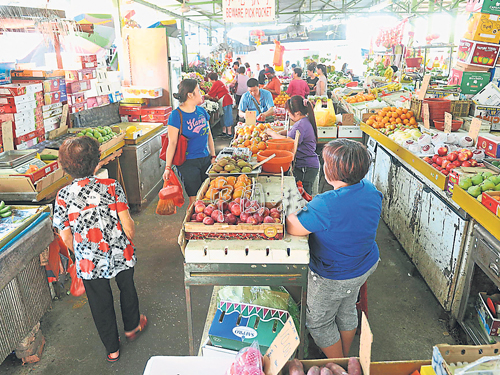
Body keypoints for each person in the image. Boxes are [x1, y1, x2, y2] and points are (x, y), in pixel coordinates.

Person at [53, 136, 147, 363]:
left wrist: (83, 252)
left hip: (88, 260)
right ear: (96, 162)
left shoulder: (63, 197)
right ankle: (132, 327)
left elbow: (65, 236)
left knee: (99, 302)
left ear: (65, 167)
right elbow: (128, 226)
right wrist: (127, 238)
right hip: (120, 253)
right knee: (127, 288)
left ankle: (112, 348)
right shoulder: (112, 186)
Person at [286, 139, 381, 359]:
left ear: (332, 172)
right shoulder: (370, 189)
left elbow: (293, 228)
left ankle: (337, 364)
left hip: (334, 275)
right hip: (364, 265)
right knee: (347, 308)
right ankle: (346, 356)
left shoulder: (326, 203)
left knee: (319, 322)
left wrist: (291, 207)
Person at [163, 79, 216, 205]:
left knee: (207, 194)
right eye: (198, 90)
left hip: (205, 159)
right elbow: (172, 143)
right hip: (187, 163)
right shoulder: (176, 115)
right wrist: (167, 167)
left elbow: (209, 135)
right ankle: (192, 222)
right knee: (195, 200)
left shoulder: (202, 111)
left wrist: (213, 156)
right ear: (190, 95)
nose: (201, 93)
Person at [265, 95, 319, 195]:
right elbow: (292, 133)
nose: (288, 115)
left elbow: (289, 141)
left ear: (297, 113)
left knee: (304, 196)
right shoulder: (304, 121)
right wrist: (281, 132)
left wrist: (272, 133)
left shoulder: (301, 124)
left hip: (305, 167)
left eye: (289, 113)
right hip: (306, 164)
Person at [206, 72, 234, 138]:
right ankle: (224, 132)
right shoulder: (218, 82)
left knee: (227, 115)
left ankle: (229, 133)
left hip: (226, 100)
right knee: (223, 115)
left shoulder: (216, 83)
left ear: (211, 79)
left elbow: (210, 94)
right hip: (224, 100)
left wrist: (203, 96)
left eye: (209, 79)